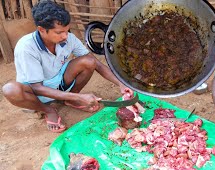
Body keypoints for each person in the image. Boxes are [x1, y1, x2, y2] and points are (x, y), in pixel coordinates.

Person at [2, 1, 133, 133]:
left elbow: (96, 63)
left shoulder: (68, 38)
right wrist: (78, 97)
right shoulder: (26, 47)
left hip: (60, 83)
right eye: (59, 32)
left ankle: (70, 100)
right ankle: (48, 110)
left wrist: (120, 83)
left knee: (88, 61)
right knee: (10, 90)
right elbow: (37, 87)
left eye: (66, 30)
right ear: (41, 30)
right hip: (35, 92)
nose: (65, 36)